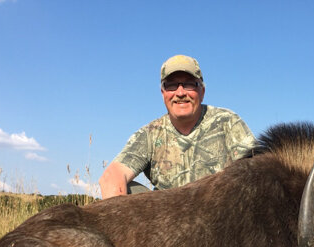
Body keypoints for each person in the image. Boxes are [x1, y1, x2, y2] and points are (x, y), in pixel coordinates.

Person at [99, 55, 256, 198]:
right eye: (172, 86)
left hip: (218, 216)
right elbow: (111, 177)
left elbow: (257, 172)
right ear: (163, 93)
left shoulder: (227, 122)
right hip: (167, 221)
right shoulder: (150, 134)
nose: (180, 93)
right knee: (126, 188)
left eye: (189, 85)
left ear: (202, 91)